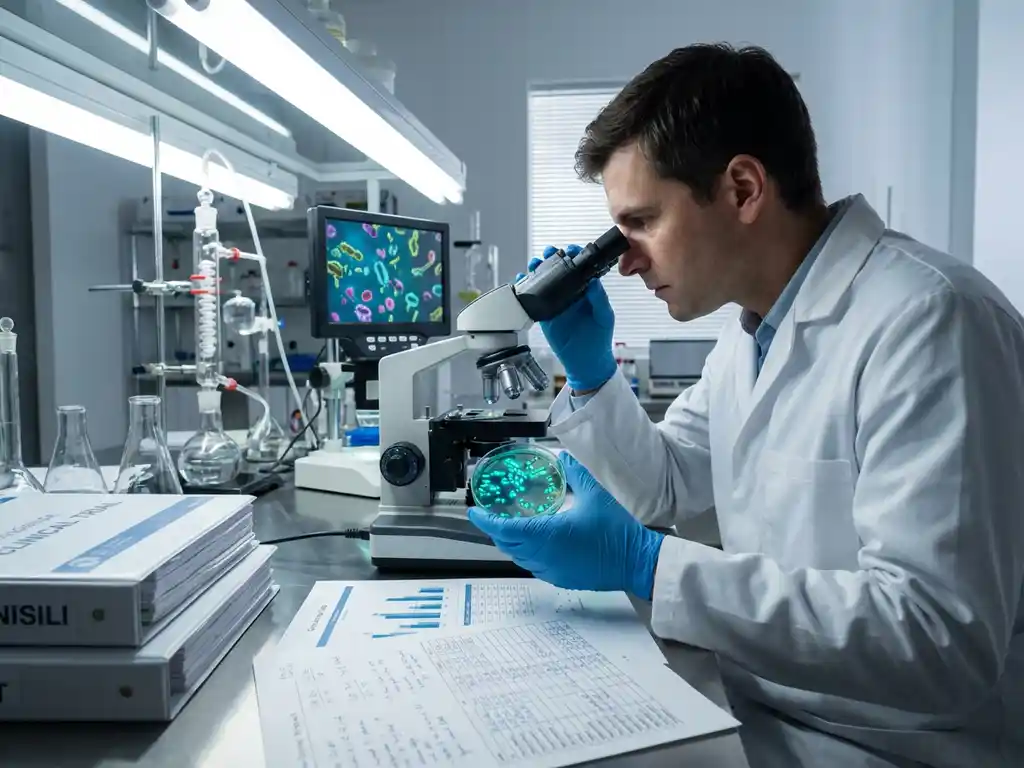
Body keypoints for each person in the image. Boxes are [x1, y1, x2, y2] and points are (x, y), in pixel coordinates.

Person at [467, 43, 1024, 768]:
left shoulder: (931, 320)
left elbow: (935, 639)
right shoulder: (749, 335)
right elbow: (663, 485)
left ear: (742, 189)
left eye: (640, 223)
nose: (626, 260)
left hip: (894, 748)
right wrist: (594, 374)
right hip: (765, 711)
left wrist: (648, 565)